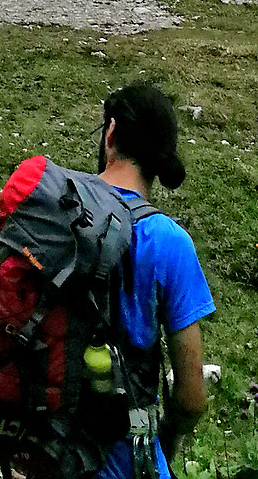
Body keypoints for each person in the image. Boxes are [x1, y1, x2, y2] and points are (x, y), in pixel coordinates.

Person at [90, 83, 213, 479]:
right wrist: (167, 443)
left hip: (43, 455)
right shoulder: (168, 241)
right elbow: (191, 399)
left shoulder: (54, 216)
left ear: (110, 134)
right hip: (129, 462)